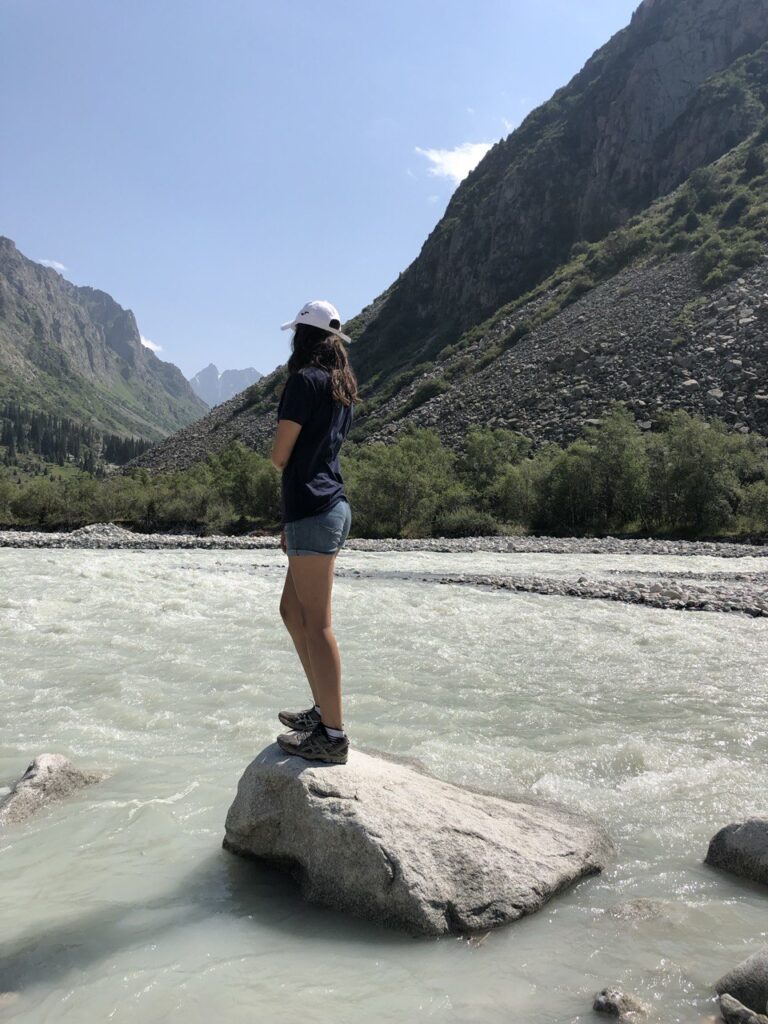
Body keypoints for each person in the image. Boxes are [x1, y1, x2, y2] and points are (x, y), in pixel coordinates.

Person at [270, 300, 357, 765]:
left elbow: (281, 455)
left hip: (313, 509)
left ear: (301, 337)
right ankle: (322, 712)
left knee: (318, 624)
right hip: (326, 508)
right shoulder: (341, 386)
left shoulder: (304, 381)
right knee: (291, 610)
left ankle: (334, 734)